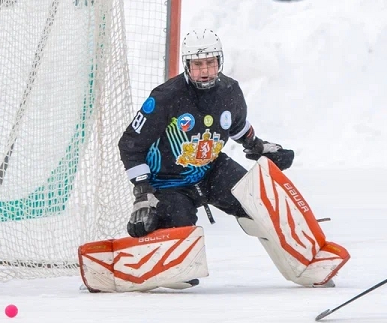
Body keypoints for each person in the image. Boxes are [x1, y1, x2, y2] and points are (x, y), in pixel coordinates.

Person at [118, 28, 294, 240]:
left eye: (210, 62)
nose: (205, 71)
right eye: (197, 64)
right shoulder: (165, 97)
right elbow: (130, 144)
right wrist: (143, 191)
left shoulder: (230, 90)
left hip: (212, 171)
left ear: (220, 61)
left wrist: (258, 147)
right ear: (187, 65)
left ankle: (300, 257)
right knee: (179, 239)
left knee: (260, 204)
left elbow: (237, 126)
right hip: (168, 183)